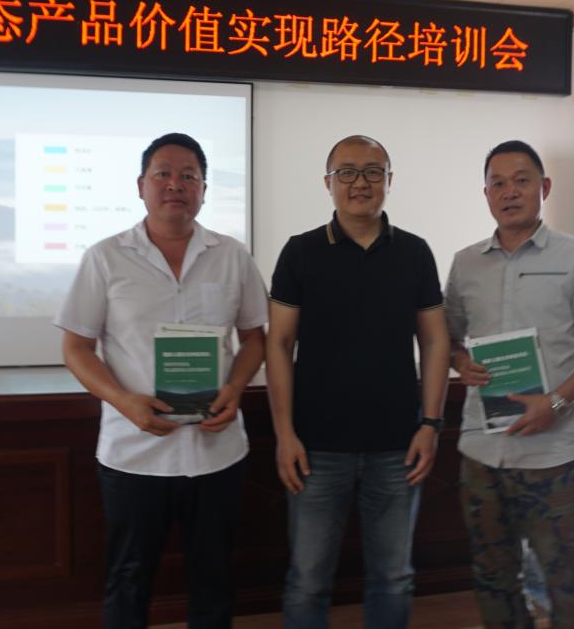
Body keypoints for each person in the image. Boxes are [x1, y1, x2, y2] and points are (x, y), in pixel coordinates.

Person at [56, 132, 268, 629]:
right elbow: (76, 348)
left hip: (216, 452)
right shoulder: (105, 257)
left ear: (203, 189)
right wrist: (123, 400)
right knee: (129, 580)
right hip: (134, 452)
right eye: (164, 174)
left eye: (189, 176)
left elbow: (254, 339)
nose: (176, 184)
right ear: (141, 186)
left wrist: (235, 388)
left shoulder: (232, 255)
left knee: (214, 580)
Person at [445, 140, 574, 629]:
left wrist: (556, 401)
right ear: (486, 194)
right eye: (498, 183)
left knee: (567, 581)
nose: (510, 192)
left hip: (555, 458)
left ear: (543, 188)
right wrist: (460, 360)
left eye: (521, 181)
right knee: (494, 581)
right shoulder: (466, 263)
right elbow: (449, 337)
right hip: (482, 455)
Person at [266, 134, 450, 629]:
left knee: (394, 578)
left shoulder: (414, 252)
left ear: (389, 181)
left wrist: (431, 424)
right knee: (308, 580)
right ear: (328, 182)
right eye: (346, 172)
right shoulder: (300, 252)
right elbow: (278, 344)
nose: (360, 182)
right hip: (315, 447)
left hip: (398, 446)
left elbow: (435, 341)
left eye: (372, 171)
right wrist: (284, 434)